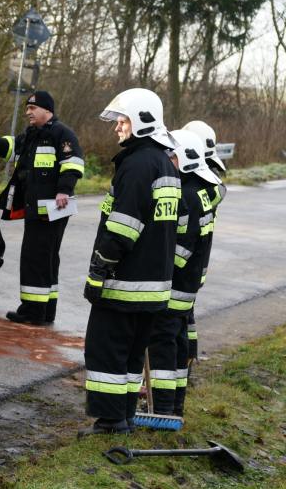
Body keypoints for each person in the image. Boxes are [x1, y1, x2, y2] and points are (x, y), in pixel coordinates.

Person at [78, 88, 180, 437]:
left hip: (125, 283)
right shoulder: (164, 163)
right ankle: (122, 417)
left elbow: (123, 228)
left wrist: (99, 269)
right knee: (132, 356)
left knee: (107, 352)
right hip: (153, 287)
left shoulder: (137, 165)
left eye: (122, 121)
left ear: (140, 122)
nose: (117, 128)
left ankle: (109, 422)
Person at [0, 90, 84, 325]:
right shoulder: (32, 135)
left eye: (32, 108)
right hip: (37, 209)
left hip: (52, 209)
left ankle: (32, 312)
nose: (28, 112)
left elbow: (73, 163)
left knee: (35, 258)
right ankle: (46, 310)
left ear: (47, 110)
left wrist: (64, 190)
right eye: (27, 108)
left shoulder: (62, 134)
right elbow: (12, 148)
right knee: (46, 258)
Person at [147, 129, 221, 419]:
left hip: (176, 284)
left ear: (186, 158)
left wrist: (155, 270)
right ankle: (175, 404)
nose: (168, 160)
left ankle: (163, 410)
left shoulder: (187, 196)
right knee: (176, 341)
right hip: (187, 285)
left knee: (162, 342)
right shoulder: (200, 191)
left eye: (172, 155)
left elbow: (181, 249)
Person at [181, 120, 227, 361]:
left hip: (188, 260)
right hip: (198, 261)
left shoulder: (198, 185)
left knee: (181, 316)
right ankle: (188, 359)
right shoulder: (210, 181)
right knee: (186, 314)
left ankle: (185, 361)